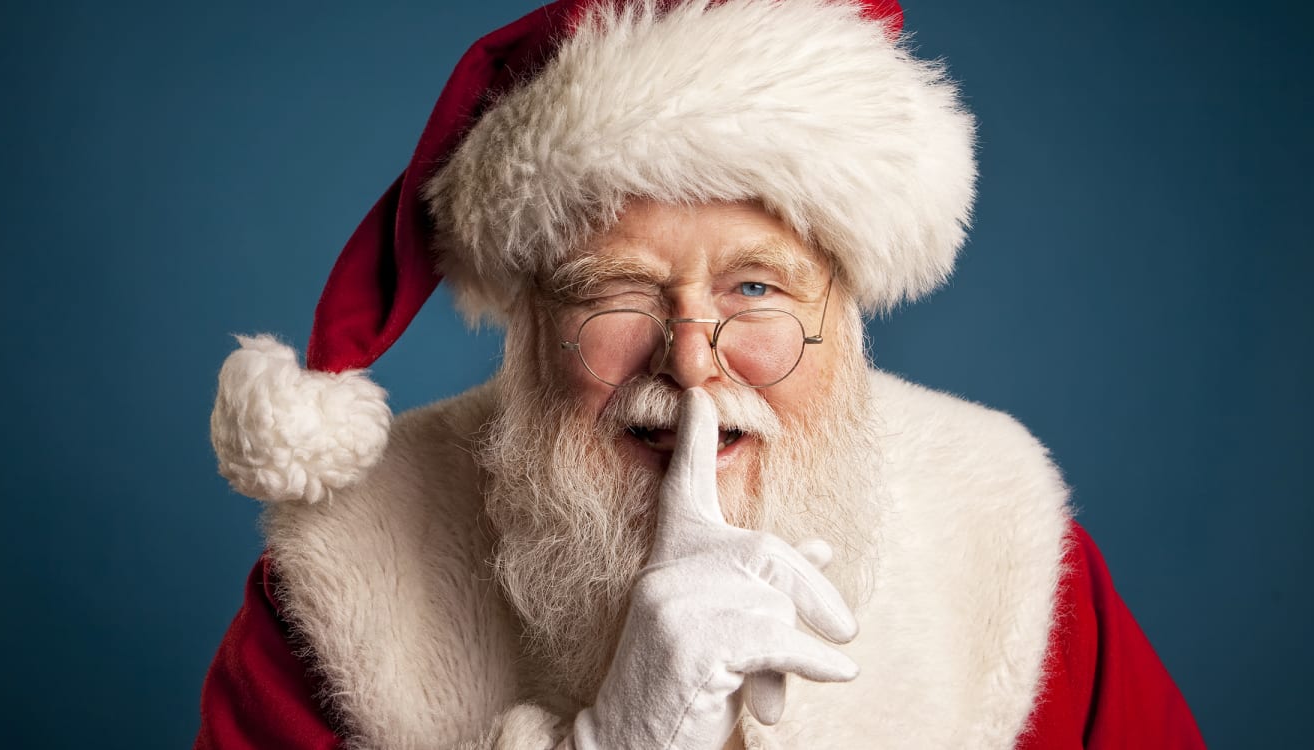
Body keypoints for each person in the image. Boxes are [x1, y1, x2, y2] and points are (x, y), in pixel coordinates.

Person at [197, 1, 1205, 747]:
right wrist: (621, 738)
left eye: (757, 288)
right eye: (615, 293)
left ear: (843, 316)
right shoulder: (340, 584)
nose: (690, 356)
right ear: (529, 326)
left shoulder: (1009, 550)